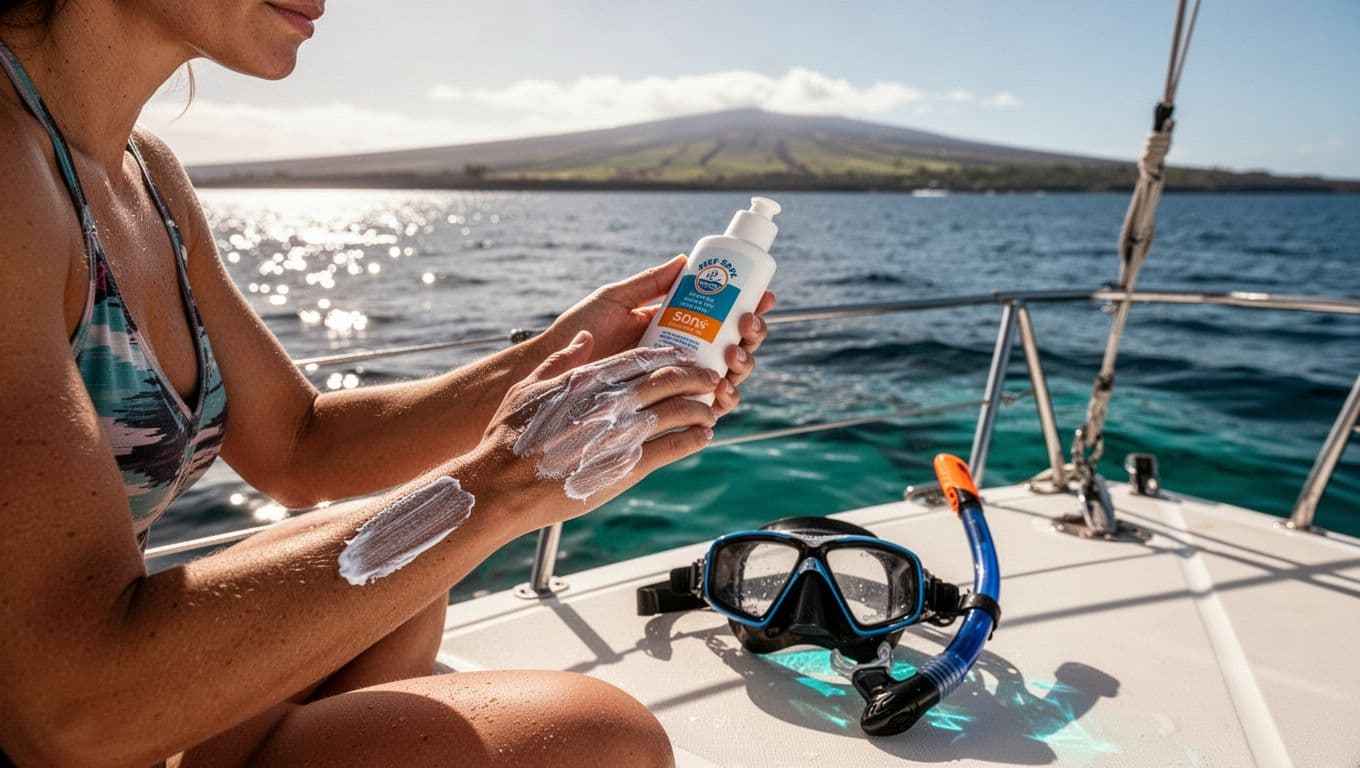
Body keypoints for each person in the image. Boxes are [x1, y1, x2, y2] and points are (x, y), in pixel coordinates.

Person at [0, 1, 775, 765]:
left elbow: (298, 447)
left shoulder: (146, 173)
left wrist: (563, 352)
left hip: (90, 708)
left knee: (401, 578)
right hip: (69, 711)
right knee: (607, 741)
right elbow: (65, 715)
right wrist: (499, 486)